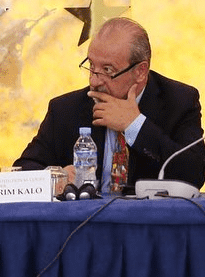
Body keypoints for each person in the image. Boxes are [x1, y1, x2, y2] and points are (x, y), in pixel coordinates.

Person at [14, 17, 205, 192]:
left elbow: (193, 175)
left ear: (140, 71)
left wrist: (135, 125)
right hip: (83, 217)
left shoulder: (179, 101)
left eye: (107, 70)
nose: (94, 81)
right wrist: (56, 177)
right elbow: (22, 170)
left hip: (149, 217)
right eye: (91, 66)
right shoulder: (65, 109)